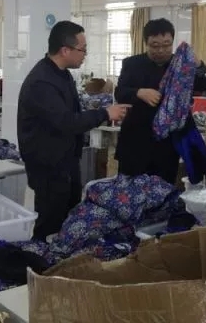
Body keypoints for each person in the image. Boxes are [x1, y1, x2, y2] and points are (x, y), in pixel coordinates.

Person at [17, 21, 129, 241]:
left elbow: (70, 115)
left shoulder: (63, 75)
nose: (85, 55)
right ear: (65, 50)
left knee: (68, 221)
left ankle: (63, 257)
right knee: (50, 223)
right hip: (48, 166)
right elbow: (67, 122)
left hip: (65, 161)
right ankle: (41, 259)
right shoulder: (42, 82)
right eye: (82, 49)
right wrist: (105, 113)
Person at [115, 18, 206, 184]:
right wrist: (139, 92)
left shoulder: (180, 66)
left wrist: (198, 64)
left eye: (166, 45)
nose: (161, 50)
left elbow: (204, 84)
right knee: (129, 189)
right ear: (146, 43)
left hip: (167, 143)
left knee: (164, 188)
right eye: (155, 45)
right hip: (136, 139)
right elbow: (120, 92)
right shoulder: (132, 64)